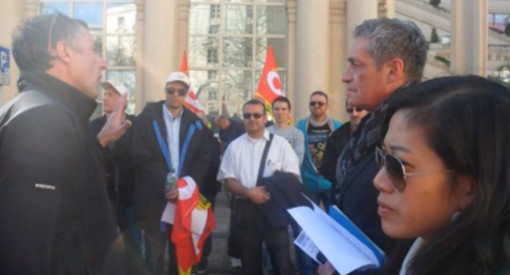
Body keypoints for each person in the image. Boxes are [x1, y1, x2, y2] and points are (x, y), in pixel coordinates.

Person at [0, 13, 130, 274]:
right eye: (93, 50)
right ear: (64, 51)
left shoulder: (40, 111)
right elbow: (29, 252)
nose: (101, 63)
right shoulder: (44, 121)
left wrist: (99, 141)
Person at [374, 76, 510, 275]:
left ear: (468, 188)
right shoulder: (414, 250)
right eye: (382, 157)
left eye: (398, 166)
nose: (378, 181)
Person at [332, 18, 428, 274]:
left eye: (356, 65)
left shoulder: (425, 131)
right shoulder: (371, 126)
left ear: (393, 70)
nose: (345, 77)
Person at [132, 71, 212, 275]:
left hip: (183, 201)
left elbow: (203, 158)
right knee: (154, 256)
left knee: (181, 256)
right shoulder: (146, 118)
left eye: (181, 91)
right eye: (171, 90)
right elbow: (139, 154)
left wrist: (184, 186)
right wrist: (165, 182)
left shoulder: (195, 122)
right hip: (154, 198)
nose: (175, 95)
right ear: (165, 90)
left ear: (186, 94)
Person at [217, 99, 300, 275]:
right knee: (250, 264)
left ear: (264, 118)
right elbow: (228, 180)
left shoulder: (281, 145)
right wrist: (248, 192)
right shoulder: (235, 147)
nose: (252, 119)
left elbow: (293, 176)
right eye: (247, 115)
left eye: (256, 115)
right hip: (246, 210)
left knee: (282, 263)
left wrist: (269, 190)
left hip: (274, 208)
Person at [90, 81, 143, 275]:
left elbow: (140, 158)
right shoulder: (93, 126)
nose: (104, 97)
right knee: (103, 250)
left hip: (129, 200)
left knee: (134, 250)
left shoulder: (135, 125)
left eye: (110, 94)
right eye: (104, 93)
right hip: (103, 200)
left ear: (123, 100)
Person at [297, 91, 341, 209]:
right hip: (308, 184)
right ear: (309, 106)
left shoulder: (337, 127)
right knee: (310, 221)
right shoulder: (300, 126)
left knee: (334, 221)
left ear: (327, 106)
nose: (316, 106)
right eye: (313, 103)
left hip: (330, 184)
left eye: (320, 103)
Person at [214, 114, 245, 269]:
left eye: (222, 125)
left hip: (249, 180)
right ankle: (234, 254)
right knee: (236, 220)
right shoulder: (225, 132)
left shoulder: (239, 126)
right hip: (236, 181)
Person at [320, 101, 368, 186]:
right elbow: (326, 168)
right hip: (343, 190)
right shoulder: (336, 136)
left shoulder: (376, 133)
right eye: (350, 110)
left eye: (359, 109)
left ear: (367, 110)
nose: (354, 114)